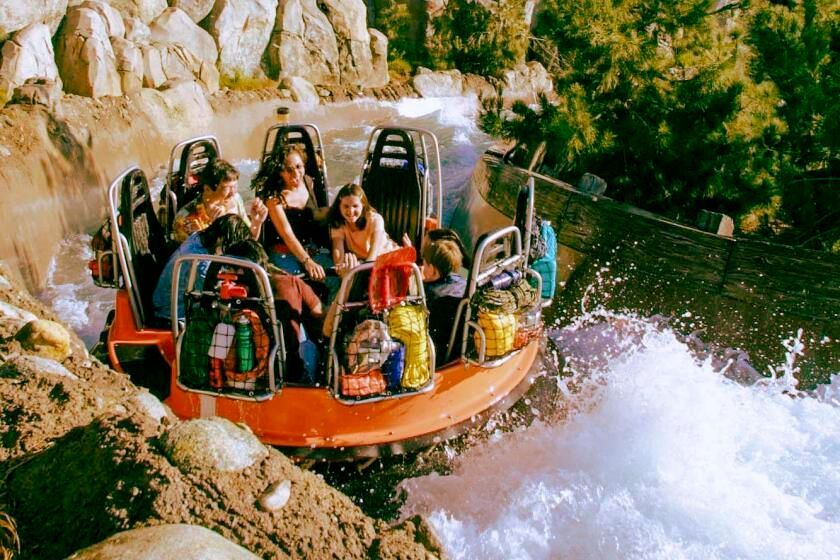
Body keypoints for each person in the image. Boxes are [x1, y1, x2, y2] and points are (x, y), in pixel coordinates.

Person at [224, 239, 325, 384]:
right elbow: (320, 313)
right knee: (308, 343)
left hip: (246, 372)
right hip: (290, 372)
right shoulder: (291, 282)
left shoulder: (230, 295)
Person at [152, 214, 253, 322]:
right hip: (174, 313)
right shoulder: (199, 260)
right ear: (221, 239)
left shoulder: (197, 238)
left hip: (162, 302)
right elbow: (207, 295)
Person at [254, 145, 330, 281]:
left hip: (311, 248)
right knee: (294, 285)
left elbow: (316, 213)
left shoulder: (308, 182)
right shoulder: (275, 199)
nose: (296, 174)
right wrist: (307, 262)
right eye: (289, 170)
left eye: (299, 167)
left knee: (335, 276)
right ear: (280, 172)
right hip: (283, 251)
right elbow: (287, 234)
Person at [173, 159, 267, 243]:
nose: (233, 193)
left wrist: (256, 222)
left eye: (235, 186)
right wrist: (211, 229)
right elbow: (189, 255)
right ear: (207, 189)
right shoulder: (186, 219)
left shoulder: (236, 200)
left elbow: (248, 242)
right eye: (228, 188)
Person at [327, 182, 407, 277]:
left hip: (388, 257)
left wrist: (359, 272)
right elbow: (338, 251)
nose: (350, 211)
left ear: (363, 205)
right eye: (346, 206)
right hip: (365, 261)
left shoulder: (375, 219)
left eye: (355, 206)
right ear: (339, 206)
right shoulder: (338, 223)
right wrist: (340, 267)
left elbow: (373, 254)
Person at [421, 238, 467, 365]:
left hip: (436, 354)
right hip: (458, 348)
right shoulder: (463, 283)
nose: (423, 268)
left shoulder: (429, 293)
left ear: (432, 269)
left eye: (424, 264)